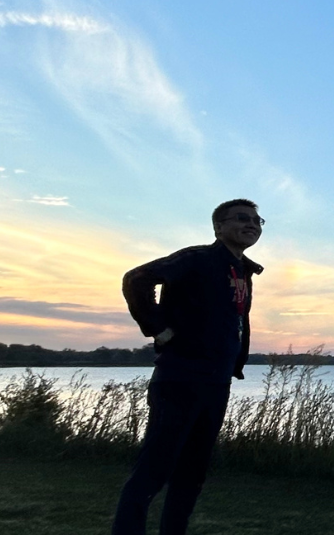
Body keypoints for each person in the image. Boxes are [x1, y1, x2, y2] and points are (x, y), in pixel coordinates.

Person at [112, 199, 264, 535]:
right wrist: (157, 327)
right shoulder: (198, 258)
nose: (252, 224)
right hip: (180, 377)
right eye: (242, 218)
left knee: (192, 473)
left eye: (257, 220)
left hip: (217, 380)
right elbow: (137, 278)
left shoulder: (242, 271)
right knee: (154, 469)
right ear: (219, 227)